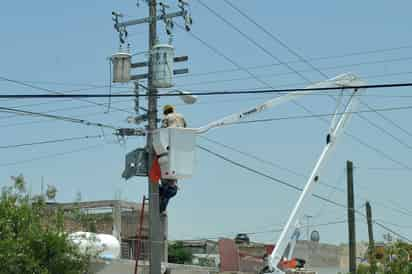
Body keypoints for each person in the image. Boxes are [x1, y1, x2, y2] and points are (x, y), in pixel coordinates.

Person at [159, 105, 187, 214]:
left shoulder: (166, 118)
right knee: (172, 175)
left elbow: (162, 130)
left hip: (169, 147)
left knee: (166, 174)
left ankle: (161, 207)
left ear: (165, 112)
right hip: (179, 149)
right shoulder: (181, 116)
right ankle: (162, 208)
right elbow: (185, 127)